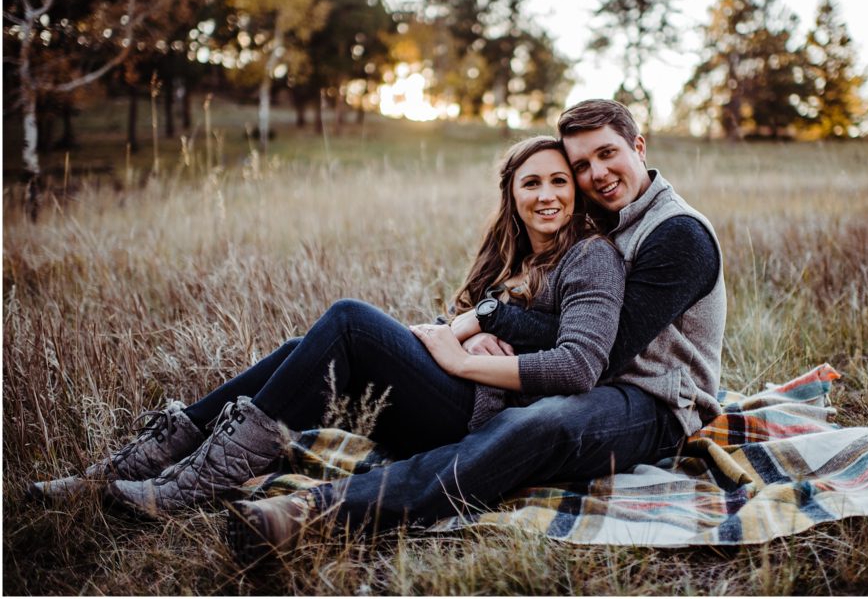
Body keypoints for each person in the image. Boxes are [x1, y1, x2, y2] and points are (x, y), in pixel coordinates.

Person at [225, 99, 726, 564]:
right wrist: (472, 329)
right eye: (582, 165)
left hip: (655, 404)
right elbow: (556, 316)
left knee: (538, 423)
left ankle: (313, 513)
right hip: (583, 377)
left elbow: (601, 355)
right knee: (316, 351)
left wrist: (487, 325)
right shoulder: (598, 213)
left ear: (639, 148)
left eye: (607, 153)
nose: (596, 174)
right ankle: (183, 446)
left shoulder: (676, 233)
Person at [29, 136, 626, 518]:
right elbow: (478, 321)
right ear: (512, 195)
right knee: (299, 350)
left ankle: (200, 482)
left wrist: (463, 355)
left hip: (482, 420)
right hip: (459, 398)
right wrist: (466, 330)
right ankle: (128, 466)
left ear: (575, 190)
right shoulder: (515, 256)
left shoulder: (589, 257)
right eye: (532, 183)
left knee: (349, 321)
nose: (547, 195)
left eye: (558, 182)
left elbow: (578, 366)